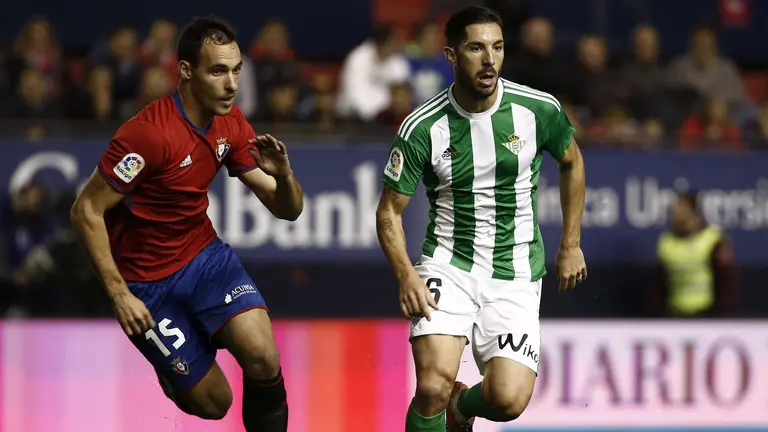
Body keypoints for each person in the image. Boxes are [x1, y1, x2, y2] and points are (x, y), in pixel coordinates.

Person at [70, 17, 303, 431]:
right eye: (217, 71)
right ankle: (177, 373)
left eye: (236, 70)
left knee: (264, 357)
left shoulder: (231, 123)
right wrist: (118, 294)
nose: (231, 84)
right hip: (147, 284)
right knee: (215, 404)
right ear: (185, 71)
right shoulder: (147, 135)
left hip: (204, 258)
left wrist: (284, 176)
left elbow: (287, 210)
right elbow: (85, 211)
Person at [375, 6, 587, 431]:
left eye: (497, 47)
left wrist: (570, 243)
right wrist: (406, 275)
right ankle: (441, 403)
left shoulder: (537, 110)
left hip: (516, 270)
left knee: (507, 401)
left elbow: (572, 162)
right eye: (476, 48)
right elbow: (389, 213)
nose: (489, 59)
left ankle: (462, 406)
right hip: (447, 264)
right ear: (451, 55)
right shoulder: (422, 126)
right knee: (432, 384)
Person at [651, 191, 737, 317]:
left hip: (707, 314)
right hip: (675, 314)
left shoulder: (712, 240)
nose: (675, 213)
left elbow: (727, 282)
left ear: (692, 211)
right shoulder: (666, 242)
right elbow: (658, 283)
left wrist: (719, 316)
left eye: (680, 208)